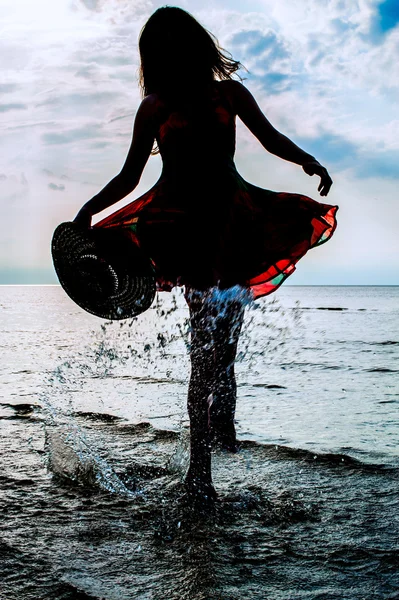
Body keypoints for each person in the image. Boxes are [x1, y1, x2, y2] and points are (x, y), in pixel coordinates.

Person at [73, 6, 337, 502]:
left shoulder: (229, 95)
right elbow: (131, 176)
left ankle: (222, 432)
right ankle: (200, 471)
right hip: (183, 228)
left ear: (195, 48)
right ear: (156, 57)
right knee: (204, 351)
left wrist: (308, 160)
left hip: (234, 223)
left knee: (225, 348)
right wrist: (89, 208)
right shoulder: (154, 107)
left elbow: (271, 138)